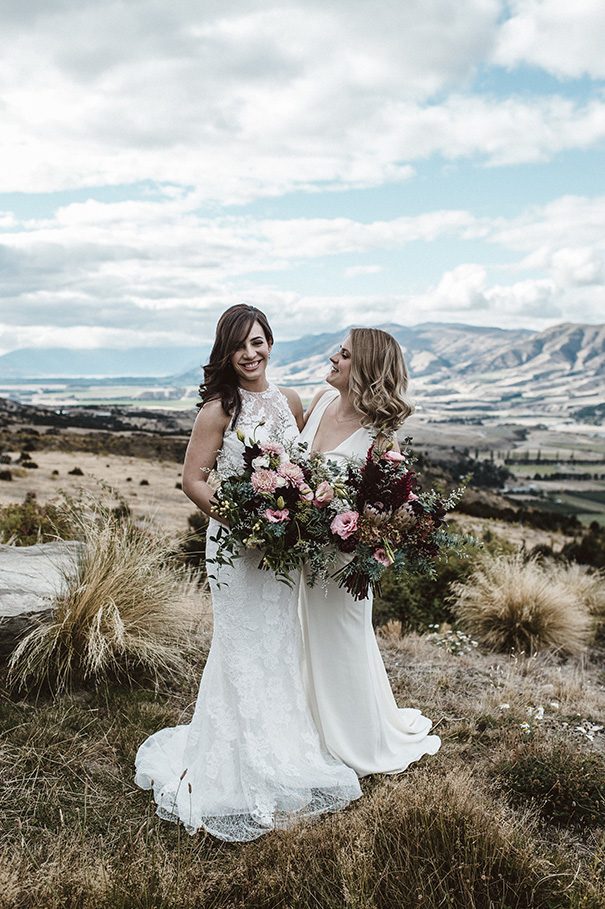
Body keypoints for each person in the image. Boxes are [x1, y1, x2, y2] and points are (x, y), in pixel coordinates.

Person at [134, 304, 361, 842]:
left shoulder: (291, 401)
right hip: (237, 549)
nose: (251, 353)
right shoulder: (218, 409)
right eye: (240, 345)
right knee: (240, 647)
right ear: (226, 352)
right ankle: (230, 765)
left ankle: (283, 754)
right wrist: (245, 522)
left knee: (279, 644)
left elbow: (298, 469)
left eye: (258, 342)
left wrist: (296, 515)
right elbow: (192, 481)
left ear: (271, 343)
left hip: (280, 554)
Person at [298, 327, 441, 777]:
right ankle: (304, 729)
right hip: (299, 556)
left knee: (340, 646)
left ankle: (353, 741)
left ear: (364, 368)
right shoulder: (321, 401)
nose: (333, 358)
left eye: (343, 355)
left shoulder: (380, 439)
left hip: (340, 566)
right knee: (300, 640)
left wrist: (356, 534)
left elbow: (387, 515)